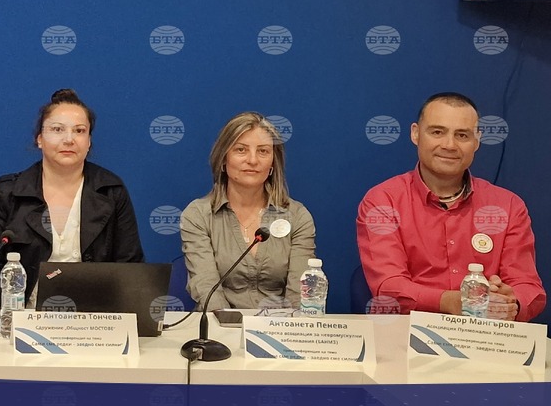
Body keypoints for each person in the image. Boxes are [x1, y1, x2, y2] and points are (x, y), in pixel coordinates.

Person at [357, 92, 545, 321]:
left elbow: (528, 286)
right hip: (407, 334)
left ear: (477, 141)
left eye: (462, 135)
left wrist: (511, 303)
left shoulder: (508, 205)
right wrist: (452, 302)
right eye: (437, 132)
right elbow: (389, 286)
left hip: (485, 335)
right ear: (415, 134)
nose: (449, 145)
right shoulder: (383, 201)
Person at [0, 89, 144, 305]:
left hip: (95, 316)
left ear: (89, 141)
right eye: (57, 129)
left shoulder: (111, 190)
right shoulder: (7, 192)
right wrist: (16, 311)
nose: (69, 139)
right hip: (22, 315)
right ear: (40, 139)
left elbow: (130, 266)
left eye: (79, 131)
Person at [179, 112, 316, 310]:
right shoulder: (198, 215)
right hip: (220, 324)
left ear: (272, 163)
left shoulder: (297, 216)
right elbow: (206, 286)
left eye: (263, 151)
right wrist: (230, 324)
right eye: (241, 150)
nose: (252, 160)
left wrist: (286, 326)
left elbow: (299, 293)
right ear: (223, 159)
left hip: (280, 325)